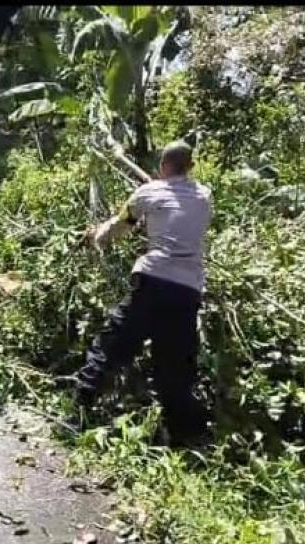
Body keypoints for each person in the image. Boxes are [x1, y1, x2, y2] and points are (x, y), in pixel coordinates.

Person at [72, 141, 213, 447]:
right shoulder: (204, 195)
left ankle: (79, 407)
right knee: (175, 365)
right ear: (190, 167)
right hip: (188, 291)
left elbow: (119, 226)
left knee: (112, 345)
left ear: (162, 165)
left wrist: (95, 238)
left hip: (154, 281)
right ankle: (187, 436)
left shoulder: (149, 193)